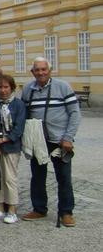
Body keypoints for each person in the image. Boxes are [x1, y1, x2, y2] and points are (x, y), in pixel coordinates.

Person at [21, 57, 81, 227]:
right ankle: (39, 208)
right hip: (37, 139)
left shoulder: (62, 86)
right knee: (37, 176)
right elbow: (23, 113)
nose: (40, 73)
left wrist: (68, 137)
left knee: (63, 177)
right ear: (32, 72)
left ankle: (66, 211)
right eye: (37, 70)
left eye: (43, 69)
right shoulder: (27, 89)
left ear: (50, 71)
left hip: (60, 140)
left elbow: (74, 113)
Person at [0, 74, 26, 224]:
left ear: (12, 88)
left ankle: (12, 209)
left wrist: (2, 141)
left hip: (11, 146)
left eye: (6, 87)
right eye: (0, 87)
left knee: (10, 178)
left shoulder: (18, 104)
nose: (3, 90)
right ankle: (0, 208)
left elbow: (19, 127)